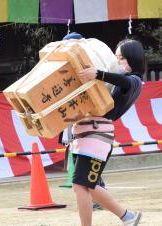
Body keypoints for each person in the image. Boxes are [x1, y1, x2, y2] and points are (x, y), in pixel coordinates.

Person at [63, 38, 145, 226]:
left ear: (133, 60)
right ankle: (126, 217)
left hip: (97, 135)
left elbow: (124, 82)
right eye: (116, 57)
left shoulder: (134, 81)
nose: (118, 61)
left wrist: (98, 73)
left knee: (84, 183)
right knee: (83, 185)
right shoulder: (108, 84)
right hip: (85, 132)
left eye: (122, 58)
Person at [61, 32, 106, 210]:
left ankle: (102, 195)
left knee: (88, 166)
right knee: (81, 165)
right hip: (77, 124)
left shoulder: (89, 68)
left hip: (90, 123)